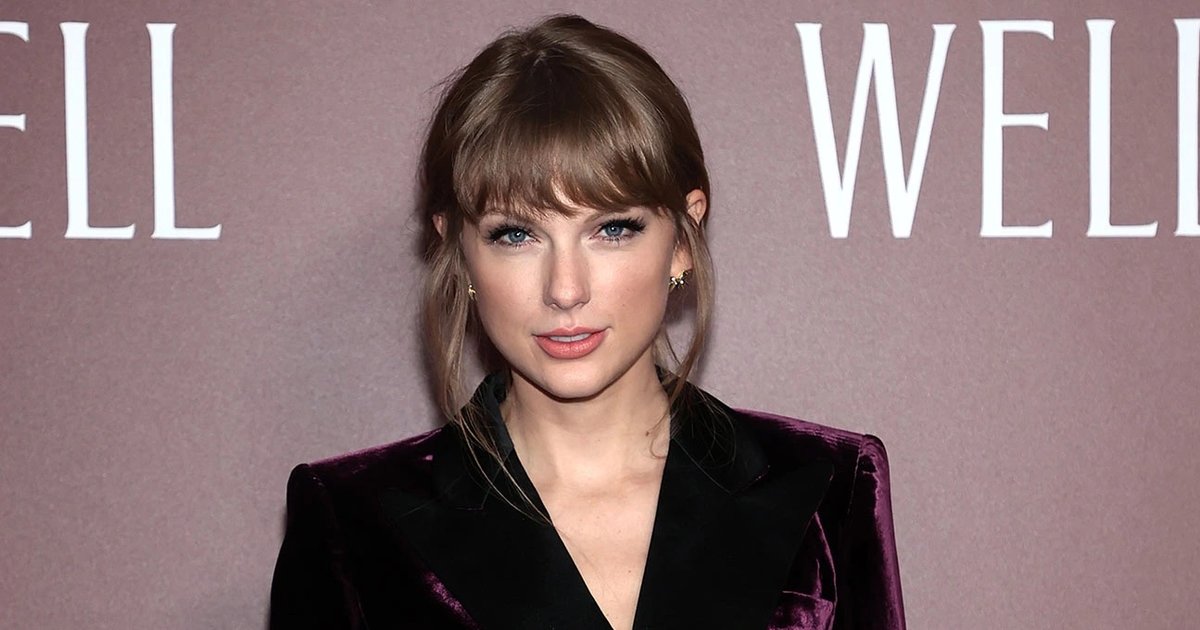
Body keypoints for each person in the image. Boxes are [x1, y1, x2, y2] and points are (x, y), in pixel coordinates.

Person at [269, 14, 905, 630]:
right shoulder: (350, 525)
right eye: (516, 235)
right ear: (457, 248)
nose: (565, 289)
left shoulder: (831, 491)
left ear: (682, 239)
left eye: (613, 229)